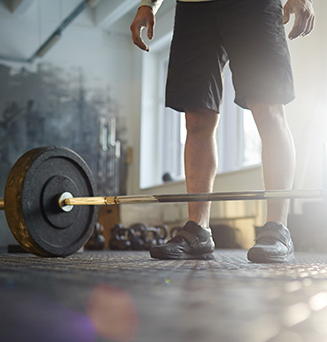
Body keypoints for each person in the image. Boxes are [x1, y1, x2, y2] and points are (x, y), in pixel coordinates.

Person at [130, 0, 315, 263]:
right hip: (194, 7)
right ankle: (198, 230)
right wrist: (148, 4)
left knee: (268, 108)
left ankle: (278, 228)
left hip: (253, 6)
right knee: (196, 119)